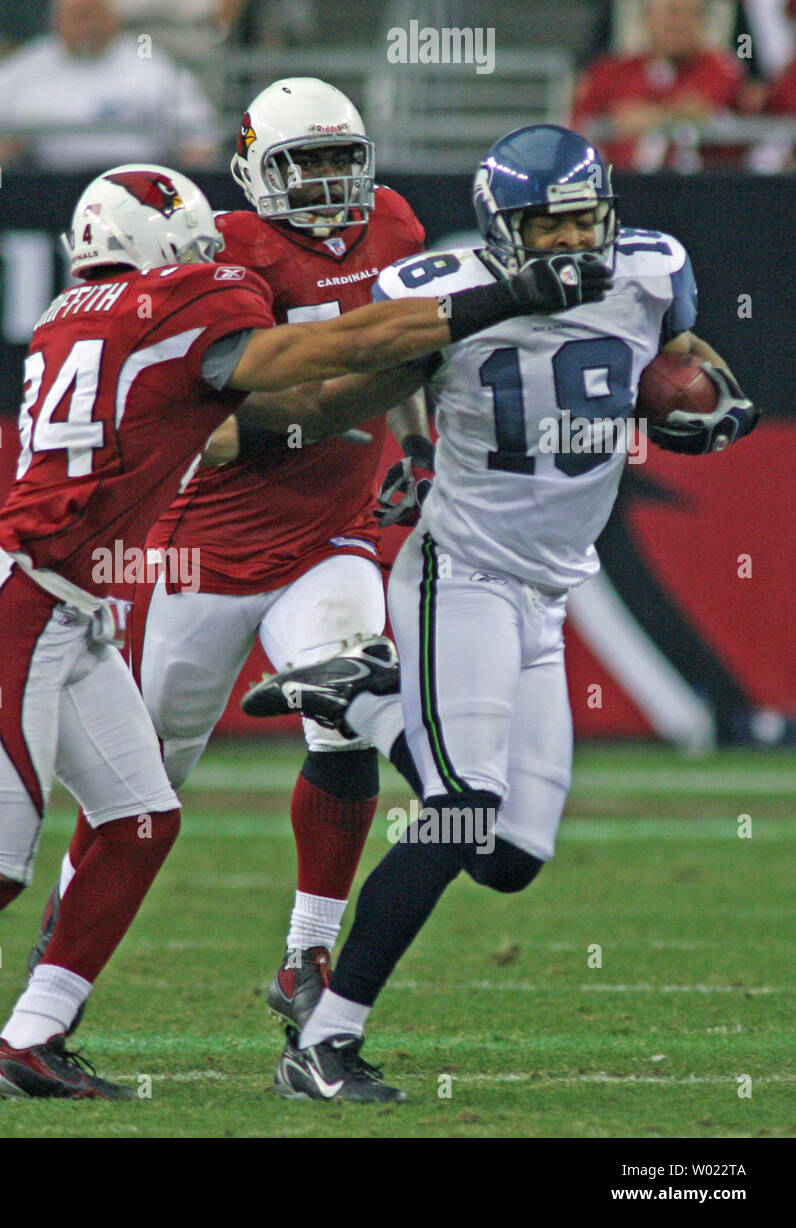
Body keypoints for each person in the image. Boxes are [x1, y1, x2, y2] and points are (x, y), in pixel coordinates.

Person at [0, 161, 610, 1100]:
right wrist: (499, 301)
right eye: (193, 245)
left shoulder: (67, 317)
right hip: (22, 604)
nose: (213, 259)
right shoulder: (180, 308)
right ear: (153, 249)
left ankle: (30, 1041)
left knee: (144, 816)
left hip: (61, 603)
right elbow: (325, 360)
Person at [242, 123, 760, 1102]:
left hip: (551, 589)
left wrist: (703, 396)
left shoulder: (650, 269)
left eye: (582, 222)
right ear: (501, 231)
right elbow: (362, 378)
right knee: (456, 816)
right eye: (547, 227)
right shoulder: (444, 290)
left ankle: (361, 704)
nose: (571, 243)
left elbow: (680, 351)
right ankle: (323, 1043)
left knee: (511, 857)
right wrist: (387, 437)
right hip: (460, 576)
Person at [25, 78, 434, 1034]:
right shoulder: (226, 254)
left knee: (346, 717)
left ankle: (307, 952)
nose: (331, 183)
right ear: (255, 171)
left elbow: (395, 360)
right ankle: (62, 948)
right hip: (202, 549)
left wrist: (412, 440)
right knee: (144, 779)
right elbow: (218, 433)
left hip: (326, 538)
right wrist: (368, 389)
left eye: (343, 159)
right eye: (307, 164)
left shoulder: (398, 227)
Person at [0, 0, 219, 170]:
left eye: (94, 16)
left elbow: (201, 138)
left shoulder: (153, 67)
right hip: (42, 191)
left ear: (113, 20)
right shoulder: (19, 70)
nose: (87, 28)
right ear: (57, 21)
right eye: (78, 18)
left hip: (139, 193)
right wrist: (5, 154)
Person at [572, 0, 742, 170]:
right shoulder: (611, 72)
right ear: (647, 17)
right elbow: (579, 127)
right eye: (671, 12)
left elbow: (700, 107)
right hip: (620, 182)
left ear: (703, 21)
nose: (679, 22)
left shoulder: (719, 68)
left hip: (703, 186)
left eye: (692, 14)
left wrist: (649, 117)